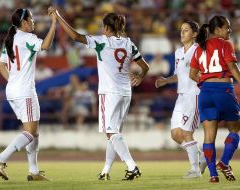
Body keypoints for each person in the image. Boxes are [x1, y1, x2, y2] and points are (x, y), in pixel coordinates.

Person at [51, 9, 149, 180]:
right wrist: (140, 77)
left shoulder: (101, 41)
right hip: (126, 92)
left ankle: (132, 166)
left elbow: (75, 36)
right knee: (114, 133)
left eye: (102, 26)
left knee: (111, 132)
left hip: (109, 92)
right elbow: (145, 67)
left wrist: (58, 17)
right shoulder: (128, 43)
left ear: (106, 28)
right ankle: (105, 171)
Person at [0, 8, 57, 181]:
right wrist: (55, 22)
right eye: (31, 19)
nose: (33, 22)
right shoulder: (27, 38)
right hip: (24, 91)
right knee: (30, 132)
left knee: (34, 131)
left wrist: (13, 81)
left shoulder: (10, 40)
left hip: (13, 90)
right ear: (24, 22)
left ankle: (34, 171)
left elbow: (0, 66)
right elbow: (46, 45)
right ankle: (1, 158)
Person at [190, 15, 240, 183]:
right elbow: (232, 66)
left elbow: (192, 74)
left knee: (208, 137)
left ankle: (213, 175)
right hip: (223, 90)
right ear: (218, 29)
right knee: (234, 129)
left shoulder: (199, 48)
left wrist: (206, 84)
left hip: (205, 93)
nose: (229, 30)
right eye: (227, 27)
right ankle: (224, 163)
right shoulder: (225, 44)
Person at [155, 20, 207, 179]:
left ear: (195, 34)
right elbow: (180, 75)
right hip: (181, 96)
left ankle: (195, 169)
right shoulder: (178, 52)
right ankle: (203, 156)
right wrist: (166, 80)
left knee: (186, 132)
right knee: (175, 134)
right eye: (181, 30)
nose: (182, 32)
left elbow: (204, 72)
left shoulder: (199, 50)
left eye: (186, 30)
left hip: (194, 95)